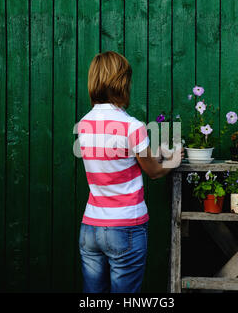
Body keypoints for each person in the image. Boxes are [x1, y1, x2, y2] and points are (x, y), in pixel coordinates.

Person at [76, 51, 183, 293]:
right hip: (125, 227)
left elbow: (118, 159)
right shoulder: (132, 126)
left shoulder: (84, 125)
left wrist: (156, 153)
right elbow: (154, 171)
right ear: (122, 82)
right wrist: (174, 160)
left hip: (91, 228)